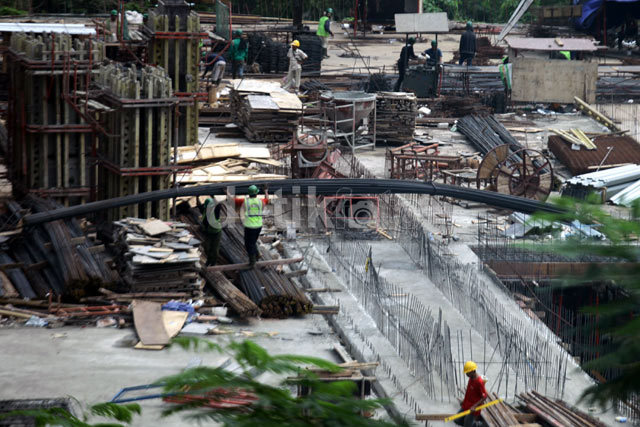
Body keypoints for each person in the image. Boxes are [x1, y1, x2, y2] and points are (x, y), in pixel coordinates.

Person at [235, 185, 269, 267]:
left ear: (249, 194)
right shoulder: (261, 201)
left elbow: (233, 200)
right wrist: (266, 191)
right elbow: (267, 199)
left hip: (249, 227)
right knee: (253, 242)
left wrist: (227, 192)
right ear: (257, 193)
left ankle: (252, 262)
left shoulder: (245, 201)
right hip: (258, 226)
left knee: (248, 244)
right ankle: (257, 254)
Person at [454, 361, 488, 427]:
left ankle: (480, 425)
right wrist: (464, 401)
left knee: (467, 425)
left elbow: (484, 396)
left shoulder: (479, 382)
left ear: (473, 371)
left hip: (473, 408)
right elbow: (469, 392)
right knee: (457, 420)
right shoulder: (471, 378)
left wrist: (474, 406)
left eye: (468, 372)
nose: (466, 374)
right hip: (466, 404)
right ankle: (472, 424)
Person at [199, 197, 223, 266]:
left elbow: (219, 205)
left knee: (215, 249)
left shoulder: (215, 212)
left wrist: (213, 197)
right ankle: (209, 260)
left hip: (216, 232)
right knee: (206, 247)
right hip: (208, 232)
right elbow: (199, 206)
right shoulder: (205, 211)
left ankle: (213, 263)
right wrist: (197, 197)